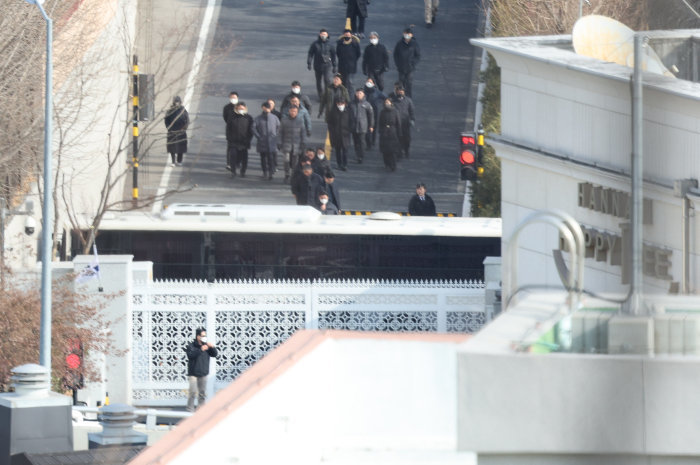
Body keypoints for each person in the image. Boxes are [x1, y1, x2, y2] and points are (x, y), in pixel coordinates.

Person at [185, 327, 218, 412]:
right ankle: (190, 410)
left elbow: (214, 354)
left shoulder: (207, 346)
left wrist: (212, 347)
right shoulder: (191, 346)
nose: (204, 337)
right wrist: (200, 350)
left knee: (202, 393)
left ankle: (201, 409)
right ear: (198, 336)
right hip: (193, 373)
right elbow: (190, 355)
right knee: (192, 392)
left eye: (205, 335)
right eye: (202, 335)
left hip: (203, 373)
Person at [253, 101, 280, 180]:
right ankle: (264, 172)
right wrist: (258, 136)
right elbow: (253, 128)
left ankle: (271, 172)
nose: (267, 109)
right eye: (266, 107)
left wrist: (275, 135)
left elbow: (279, 127)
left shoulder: (274, 117)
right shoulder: (258, 118)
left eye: (268, 108)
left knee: (271, 158)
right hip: (262, 141)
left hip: (272, 141)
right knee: (263, 158)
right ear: (263, 108)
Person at [226, 102, 254, 177]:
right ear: (236, 108)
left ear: (245, 108)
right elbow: (228, 129)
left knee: (244, 158)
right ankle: (233, 171)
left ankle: (243, 171)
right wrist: (229, 139)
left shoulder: (249, 118)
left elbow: (251, 130)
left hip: (244, 142)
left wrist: (248, 139)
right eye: (239, 108)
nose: (241, 110)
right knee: (233, 156)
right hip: (233, 141)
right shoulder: (231, 117)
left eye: (242, 108)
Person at [279, 105, 307, 182]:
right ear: (289, 111)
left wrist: (303, 143)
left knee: (295, 162)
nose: (293, 112)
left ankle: (293, 175)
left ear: (297, 112)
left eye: (295, 111)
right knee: (286, 160)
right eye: (292, 111)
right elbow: (280, 132)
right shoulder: (284, 120)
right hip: (286, 144)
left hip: (296, 145)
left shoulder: (300, 121)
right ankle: (287, 174)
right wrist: (279, 142)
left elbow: (303, 133)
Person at [307, 29, 337, 99]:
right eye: (322, 34)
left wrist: (334, 65)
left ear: (327, 35)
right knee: (318, 81)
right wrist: (309, 63)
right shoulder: (315, 44)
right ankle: (321, 96)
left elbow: (333, 55)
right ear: (319, 35)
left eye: (325, 34)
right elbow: (310, 53)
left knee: (327, 80)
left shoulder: (330, 45)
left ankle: (328, 96)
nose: (323, 36)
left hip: (327, 65)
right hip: (317, 65)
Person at [389, 84, 415, 159]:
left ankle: (406, 150)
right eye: (398, 90)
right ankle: (399, 153)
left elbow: (411, 110)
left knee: (406, 138)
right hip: (396, 123)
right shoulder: (393, 100)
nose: (400, 92)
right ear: (396, 91)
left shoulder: (408, 100)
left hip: (405, 123)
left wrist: (412, 119)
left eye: (402, 91)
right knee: (397, 138)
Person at [393, 27, 420, 97]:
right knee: (401, 83)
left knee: (409, 84)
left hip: (410, 68)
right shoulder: (399, 43)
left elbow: (417, 55)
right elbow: (395, 54)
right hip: (401, 68)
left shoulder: (414, 44)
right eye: (406, 33)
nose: (407, 35)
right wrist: (398, 64)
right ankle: (400, 96)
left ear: (411, 35)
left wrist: (413, 63)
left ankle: (408, 98)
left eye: (409, 34)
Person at [349, 88, 374, 164]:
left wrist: (371, 125)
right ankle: (357, 154)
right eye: (357, 93)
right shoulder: (351, 104)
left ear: (363, 94)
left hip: (363, 126)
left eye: (360, 93)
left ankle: (361, 156)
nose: (358, 95)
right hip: (354, 126)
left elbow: (371, 116)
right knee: (356, 142)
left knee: (362, 142)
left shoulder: (367, 104)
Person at [327, 98, 351, 171]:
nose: (340, 105)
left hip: (345, 135)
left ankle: (345, 164)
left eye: (342, 104)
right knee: (338, 150)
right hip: (336, 135)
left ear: (345, 104)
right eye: (339, 104)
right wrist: (332, 132)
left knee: (345, 151)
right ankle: (339, 164)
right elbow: (330, 123)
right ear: (336, 104)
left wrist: (349, 130)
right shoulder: (333, 112)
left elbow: (352, 121)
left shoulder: (348, 112)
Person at [164, 96, 189, 166]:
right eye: (175, 102)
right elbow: (166, 120)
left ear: (180, 102)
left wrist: (184, 128)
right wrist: (169, 128)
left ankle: (179, 160)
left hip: (181, 131)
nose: (176, 103)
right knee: (172, 148)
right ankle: (173, 161)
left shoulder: (183, 110)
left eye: (178, 102)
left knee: (181, 147)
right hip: (172, 131)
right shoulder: (170, 111)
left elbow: (187, 120)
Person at [377, 97, 401, 171]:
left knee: (393, 150)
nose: (387, 103)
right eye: (385, 102)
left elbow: (398, 123)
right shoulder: (382, 112)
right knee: (385, 150)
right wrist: (380, 131)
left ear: (391, 103)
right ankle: (387, 163)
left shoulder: (395, 111)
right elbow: (380, 122)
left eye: (388, 102)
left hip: (393, 132)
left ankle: (393, 165)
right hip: (384, 132)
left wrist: (399, 133)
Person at [363, 78, 386, 149]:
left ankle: (372, 141)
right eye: (368, 81)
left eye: (370, 82)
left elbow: (385, 98)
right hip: (365, 112)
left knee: (373, 127)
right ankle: (368, 143)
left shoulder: (377, 92)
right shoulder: (363, 92)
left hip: (375, 112)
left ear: (373, 84)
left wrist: (381, 104)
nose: (369, 83)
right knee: (366, 127)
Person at [336, 29, 362, 95]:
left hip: (351, 67)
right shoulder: (340, 44)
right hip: (342, 67)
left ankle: (351, 97)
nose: (347, 36)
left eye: (348, 34)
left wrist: (352, 60)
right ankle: (343, 96)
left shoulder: (355, 44)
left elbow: (358, 54)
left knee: (350, 82)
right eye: (346, 34)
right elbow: (338, 53)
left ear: (351, 35)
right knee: (343, 82)